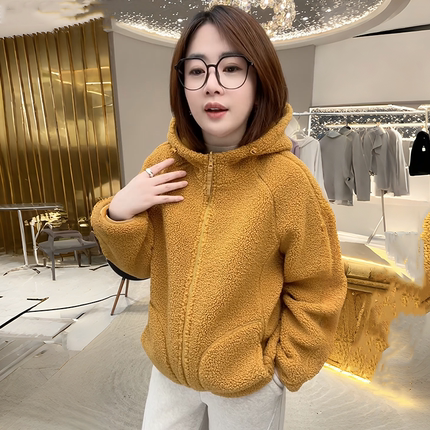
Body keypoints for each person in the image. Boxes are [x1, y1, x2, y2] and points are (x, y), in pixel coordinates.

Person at [91, 5, 347, 430]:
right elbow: (138, 266)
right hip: (169, 372)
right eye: (196, 70)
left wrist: (284, 368)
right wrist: (119, 213)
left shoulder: (287, 180)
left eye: (231, 68)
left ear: (259, 81)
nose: (212, 84)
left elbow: (319, 284)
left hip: (247, 382)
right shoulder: (163, 164)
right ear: (182, 85)